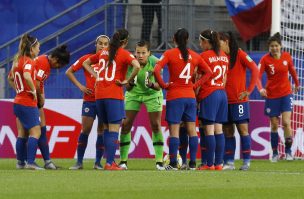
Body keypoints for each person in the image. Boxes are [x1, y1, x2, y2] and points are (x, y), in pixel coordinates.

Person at [154, 28, 212, 170]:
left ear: (174, 39)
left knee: (174, 131)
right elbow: (209, 72)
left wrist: (163, 85)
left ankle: (173, 164)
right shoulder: (195, 56)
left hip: (175, 96)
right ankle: (192, 163)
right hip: (190, 97)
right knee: (192, 130)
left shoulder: (169, 53)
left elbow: (156, 69)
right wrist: (195, 85)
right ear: (187, 40)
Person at [83, 29, 140, 170]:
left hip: (99, 95)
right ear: (125, 42)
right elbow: (137, 66)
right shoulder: (124, 53)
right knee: (114, 128)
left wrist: (96, 76)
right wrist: (128, 80)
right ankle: (110, 163)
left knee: (106, 128)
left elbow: (86, 63)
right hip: (113, 94)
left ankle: (109, 161)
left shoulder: (103, 52)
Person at [118, 41, 164, 170]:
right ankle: (123, 161)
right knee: (126, 124)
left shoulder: (156, 62)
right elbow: (127, 88)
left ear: (149, 53)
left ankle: (159, 162)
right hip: (134, 94)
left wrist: (151, 85)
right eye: (138, 52)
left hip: (152, 95)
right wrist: (131, 83)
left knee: (155, 125)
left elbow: (160, 85)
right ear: (135, 52)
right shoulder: (130, 63)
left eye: (143, 53)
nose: (140, 55)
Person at [66, 35, 110, 170]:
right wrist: (81, 87)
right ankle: (79, 162)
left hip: (103, 99)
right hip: (89, 100)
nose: (103, 46)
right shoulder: (86, 59)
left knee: (101, 131)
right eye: (100, 44)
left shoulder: (110, 61)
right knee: (85, 129)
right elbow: (69, 72)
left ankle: (98, 163)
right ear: (95, 44)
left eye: (105, 44)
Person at [219, 31, 259, 170]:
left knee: (243, 130)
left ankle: (246, 161)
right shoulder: (221, 57)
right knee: (228, 131)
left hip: (239, 101)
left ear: (226, 41)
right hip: (225, 100)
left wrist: (248, 90)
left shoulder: (240, 54)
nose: (218, 46)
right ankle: (229, 162)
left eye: (220, 43)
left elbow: (255, 69)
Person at [257, 32, 300, 162]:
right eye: (272, 46)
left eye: (276, 45)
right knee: (274, 125)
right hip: (271, 96)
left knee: (287, 123)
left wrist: (297, 84)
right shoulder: (265, 59)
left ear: (280, 46)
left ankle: (288, 152)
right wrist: (260, 89)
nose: (274, 48)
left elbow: (292, 71)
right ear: (269, 47)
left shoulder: (287, 57)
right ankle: (275, 153)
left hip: (286, 94)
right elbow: (257, 76)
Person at [7, 34, 43, 169]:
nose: (39, 50)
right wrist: (33, 90)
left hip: (18, 102)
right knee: (36, 132)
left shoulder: (17, 61)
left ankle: (20, 163)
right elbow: (27, 76)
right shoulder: (28, 61)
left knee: (22, 133)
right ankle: (31, 162)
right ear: (32, 48)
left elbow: (10, 78)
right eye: (38, 47)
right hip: (27, 102)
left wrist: (18, 90)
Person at [196, 29, 229, 171]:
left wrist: (196, 96)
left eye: (200, 41)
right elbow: (225, 78)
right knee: (219, 130)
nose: (199, 44)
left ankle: (209, 164)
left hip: (210, 94)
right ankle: (219, 163)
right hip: (222, 93)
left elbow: (198, 78)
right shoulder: (224, 56)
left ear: (205, 42)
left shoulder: (203, 56)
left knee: (208, 130)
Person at [35, 45, 70, 169]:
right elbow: (37, 83)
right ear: (55, 59)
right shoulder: (43, 63)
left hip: (34, 99)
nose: (58, 68)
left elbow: (40, 83)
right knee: (36, 132)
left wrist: (42, 96)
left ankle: (46, 161)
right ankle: (29, 162)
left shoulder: (45, 62)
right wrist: (40, 97)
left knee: (41, 130)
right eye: (59, 65)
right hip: (31, 100)